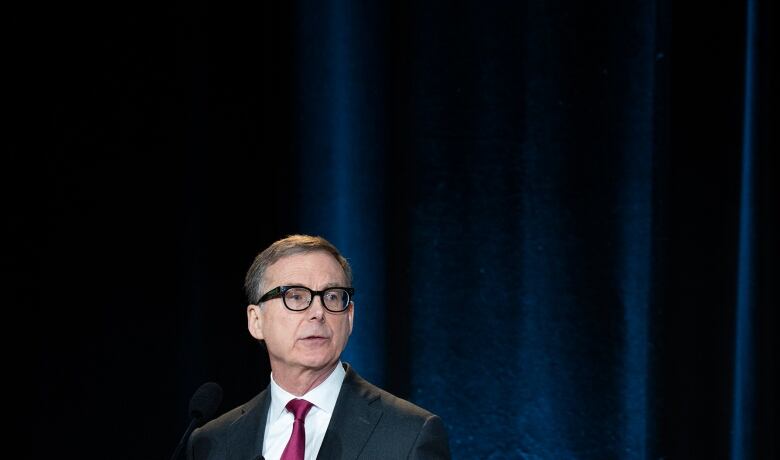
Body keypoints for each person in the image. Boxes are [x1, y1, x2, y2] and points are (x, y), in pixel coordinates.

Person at [188, 234, 451, 460]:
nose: (318, 312)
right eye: (296, 296)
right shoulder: (212, 442)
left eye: (332, 297)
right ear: (256, 321)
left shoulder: (410, 433)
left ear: (349, 317)